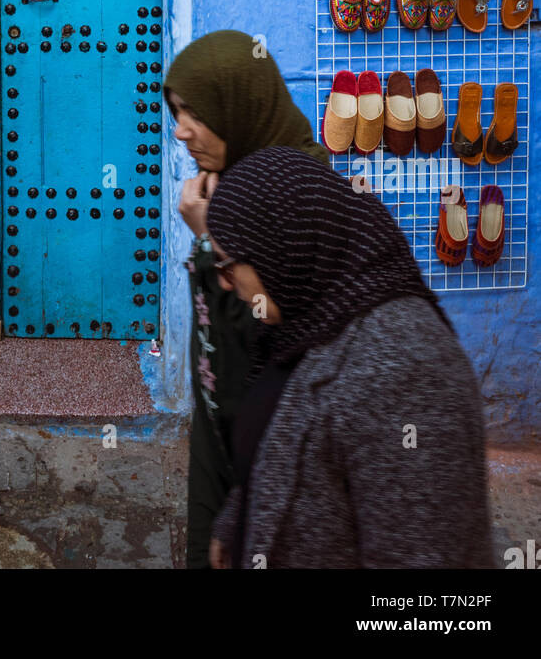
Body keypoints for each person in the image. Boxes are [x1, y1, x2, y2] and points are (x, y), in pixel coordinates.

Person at [205, 144, 495, 569]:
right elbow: (286, 438)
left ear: (280, 245)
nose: (226, 284)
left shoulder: (405, 368)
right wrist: (239, 521)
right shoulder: (306, 320)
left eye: (228, 265)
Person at [163, 29, 330, 570]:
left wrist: (212, 237)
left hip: (274, 445)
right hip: (220, 429)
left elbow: (274, 322)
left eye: (196, 113)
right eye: (176, 111)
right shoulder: (223, 184)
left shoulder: (300, 194)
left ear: (238, 105)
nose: (181, 131)